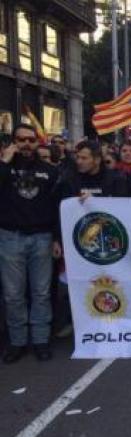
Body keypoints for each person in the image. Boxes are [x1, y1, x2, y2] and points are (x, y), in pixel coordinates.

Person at [0, 124, 62, 363]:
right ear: (13, 141)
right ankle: (17, 342)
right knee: (13, 294)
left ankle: (40, 340)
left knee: (41, 292)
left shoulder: (50, 171)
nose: (26, 144)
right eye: (21, 139)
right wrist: (5, 162)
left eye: (31, 140)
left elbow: (58, 207)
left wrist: (56, 238)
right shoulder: (5, 167)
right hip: (10, 237)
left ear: (38, 142)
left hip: (42, 238)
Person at [57, 140, 129, 199]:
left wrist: (95, 200)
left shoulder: (116, 180)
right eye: (78, 157)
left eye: (84, 158)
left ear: (97, 160)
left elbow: (120, 205)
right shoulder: (70, 179)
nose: (79, 162)